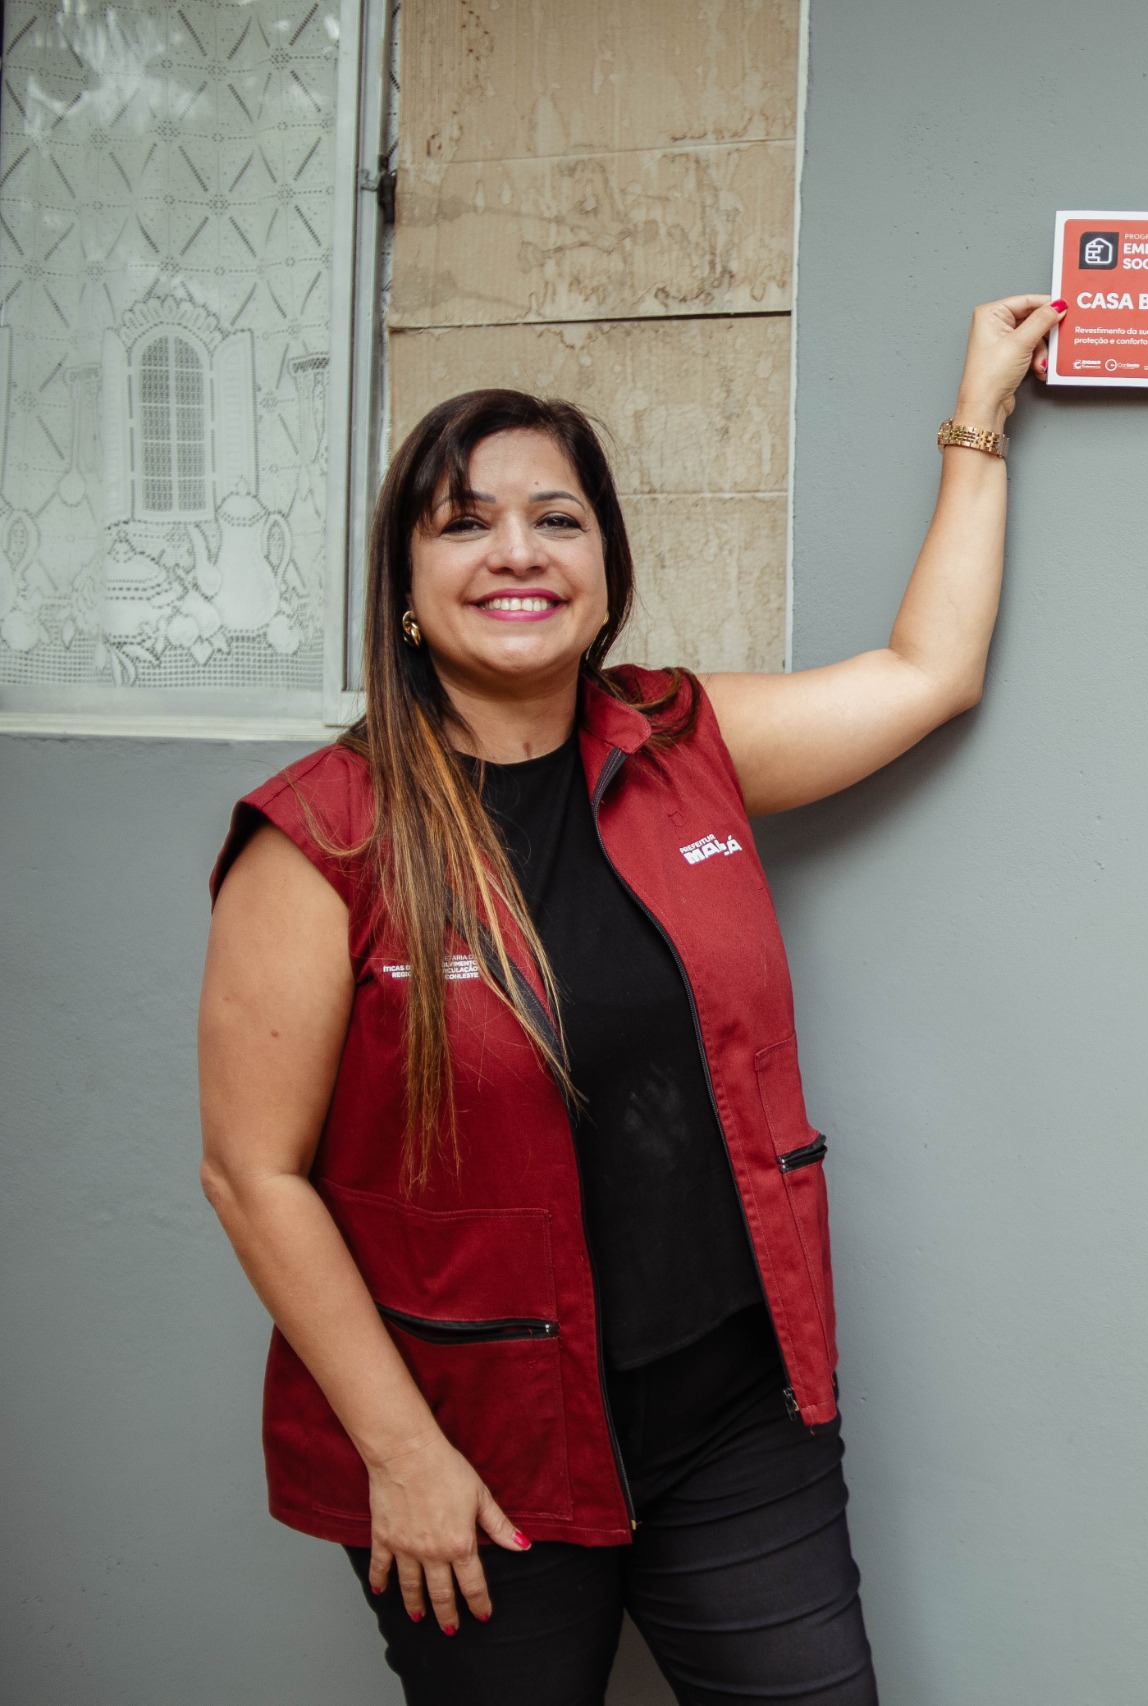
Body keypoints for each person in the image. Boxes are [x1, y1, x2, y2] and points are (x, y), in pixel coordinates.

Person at [196, 292, 1065, 1704]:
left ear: (607, 568)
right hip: (477, 1445)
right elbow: (254, 1174)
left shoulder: (680, 743)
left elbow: (928, 674)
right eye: (464, 523)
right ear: (404, 585)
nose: (517, 551)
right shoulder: (322, 838)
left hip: (734, 1414)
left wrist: (981, 417)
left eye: (558, 518)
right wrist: (402, 1455)